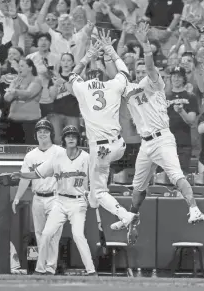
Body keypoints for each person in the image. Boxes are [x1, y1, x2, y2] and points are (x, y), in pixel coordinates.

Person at [113, 22, 204, 243]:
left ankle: (194, 208)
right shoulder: (129, 89)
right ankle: (132, 217)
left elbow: (151, 66)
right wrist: (111, 52)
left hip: (162, 138)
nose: (144, 71)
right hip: (145, 144)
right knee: (137, 188)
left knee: (176, 175)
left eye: (145, 69)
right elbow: (116, 72)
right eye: (140, 70)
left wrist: (145, 45)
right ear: (135, 73)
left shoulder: (155, 83)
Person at [67, 33, 136, 245]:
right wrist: (111, 51)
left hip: (101, 148)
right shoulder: (112, 85)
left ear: (89, 77)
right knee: (94, 194)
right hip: (119, 144)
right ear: (102, 76)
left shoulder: (83, 88)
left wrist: (88, 56)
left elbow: (71, 75)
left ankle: (126, 216)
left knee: (98, 190)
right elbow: (124, 73)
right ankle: (100, 209)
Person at [11, 125, 96, 276]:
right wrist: (21, 175)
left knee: (77, 235)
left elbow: (97, 177)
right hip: (60, 201)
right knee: (45, 234)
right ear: (64, 139)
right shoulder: (57, 157)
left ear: (78, 139)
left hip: (77, 202)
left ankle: (91, 270)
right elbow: (37, 173)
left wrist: (93, 194)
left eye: (74, 136)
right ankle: (40, 269)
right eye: (68, 136)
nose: (71, 138)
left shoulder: (86, 157)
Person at [11, 119, 63, 275]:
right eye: (40, 131)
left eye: (45, 131)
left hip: (55, 196)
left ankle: (50, 268)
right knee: (40, 234)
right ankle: (42, 267)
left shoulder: (59, 151)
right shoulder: (30, 155)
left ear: (51, 134)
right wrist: (17, 197)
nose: (42, 134)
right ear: (35, 135)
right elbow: (25, 178)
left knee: (53, 233)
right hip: (38, 197)